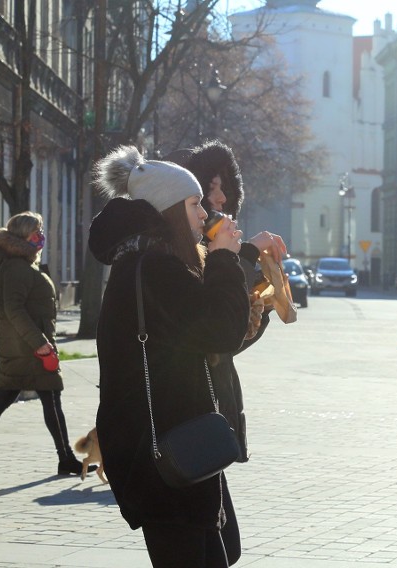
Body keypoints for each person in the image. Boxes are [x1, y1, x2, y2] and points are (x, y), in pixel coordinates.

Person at [89, 145, 249, 567]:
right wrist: (225, 259)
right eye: (195, 204)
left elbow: (212, 332)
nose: (204, 215)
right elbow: (221, 329)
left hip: (172, 450)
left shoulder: (148, 265)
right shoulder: (155, 270)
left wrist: (233, 260)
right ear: (170, 210)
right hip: (165, 460)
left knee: (225, 549)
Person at [166, 140, 287, 462]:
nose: (221, 198)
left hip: (210, 411)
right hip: (189, 415)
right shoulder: (175, 258)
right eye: (211, 188)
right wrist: (243, 255)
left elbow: (228, 343)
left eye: (225, 188)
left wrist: (261, 306)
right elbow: (209, 331)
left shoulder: (206, 252)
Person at [0, 212, 94, 477]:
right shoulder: (17, 267)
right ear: (25, 235)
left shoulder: (21, 264)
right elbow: (14, 310)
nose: (41, 237)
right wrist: (40, 344)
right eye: (37, 231)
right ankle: (66, 459)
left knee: (3, 399)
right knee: (49, 399)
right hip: (28, 349)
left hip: (23, 347)